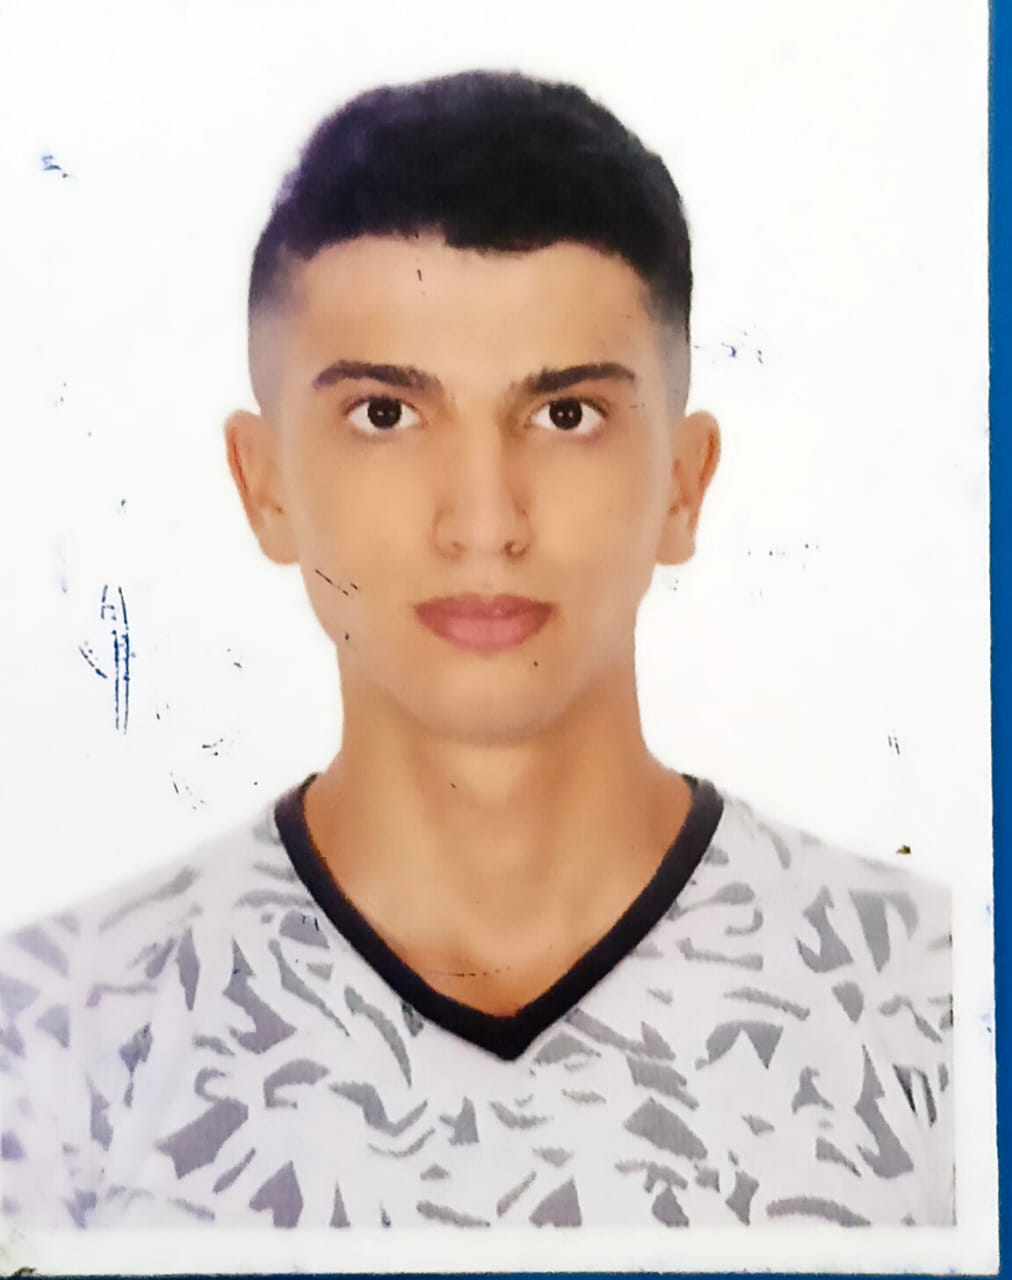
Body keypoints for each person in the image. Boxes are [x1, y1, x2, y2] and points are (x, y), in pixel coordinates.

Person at [0, 69, 953, 1233]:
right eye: (386, 414)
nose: (484, 521)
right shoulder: (51, 1041)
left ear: (683, 483)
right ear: (264, 485)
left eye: (565, 414)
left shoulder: (935, 1003)